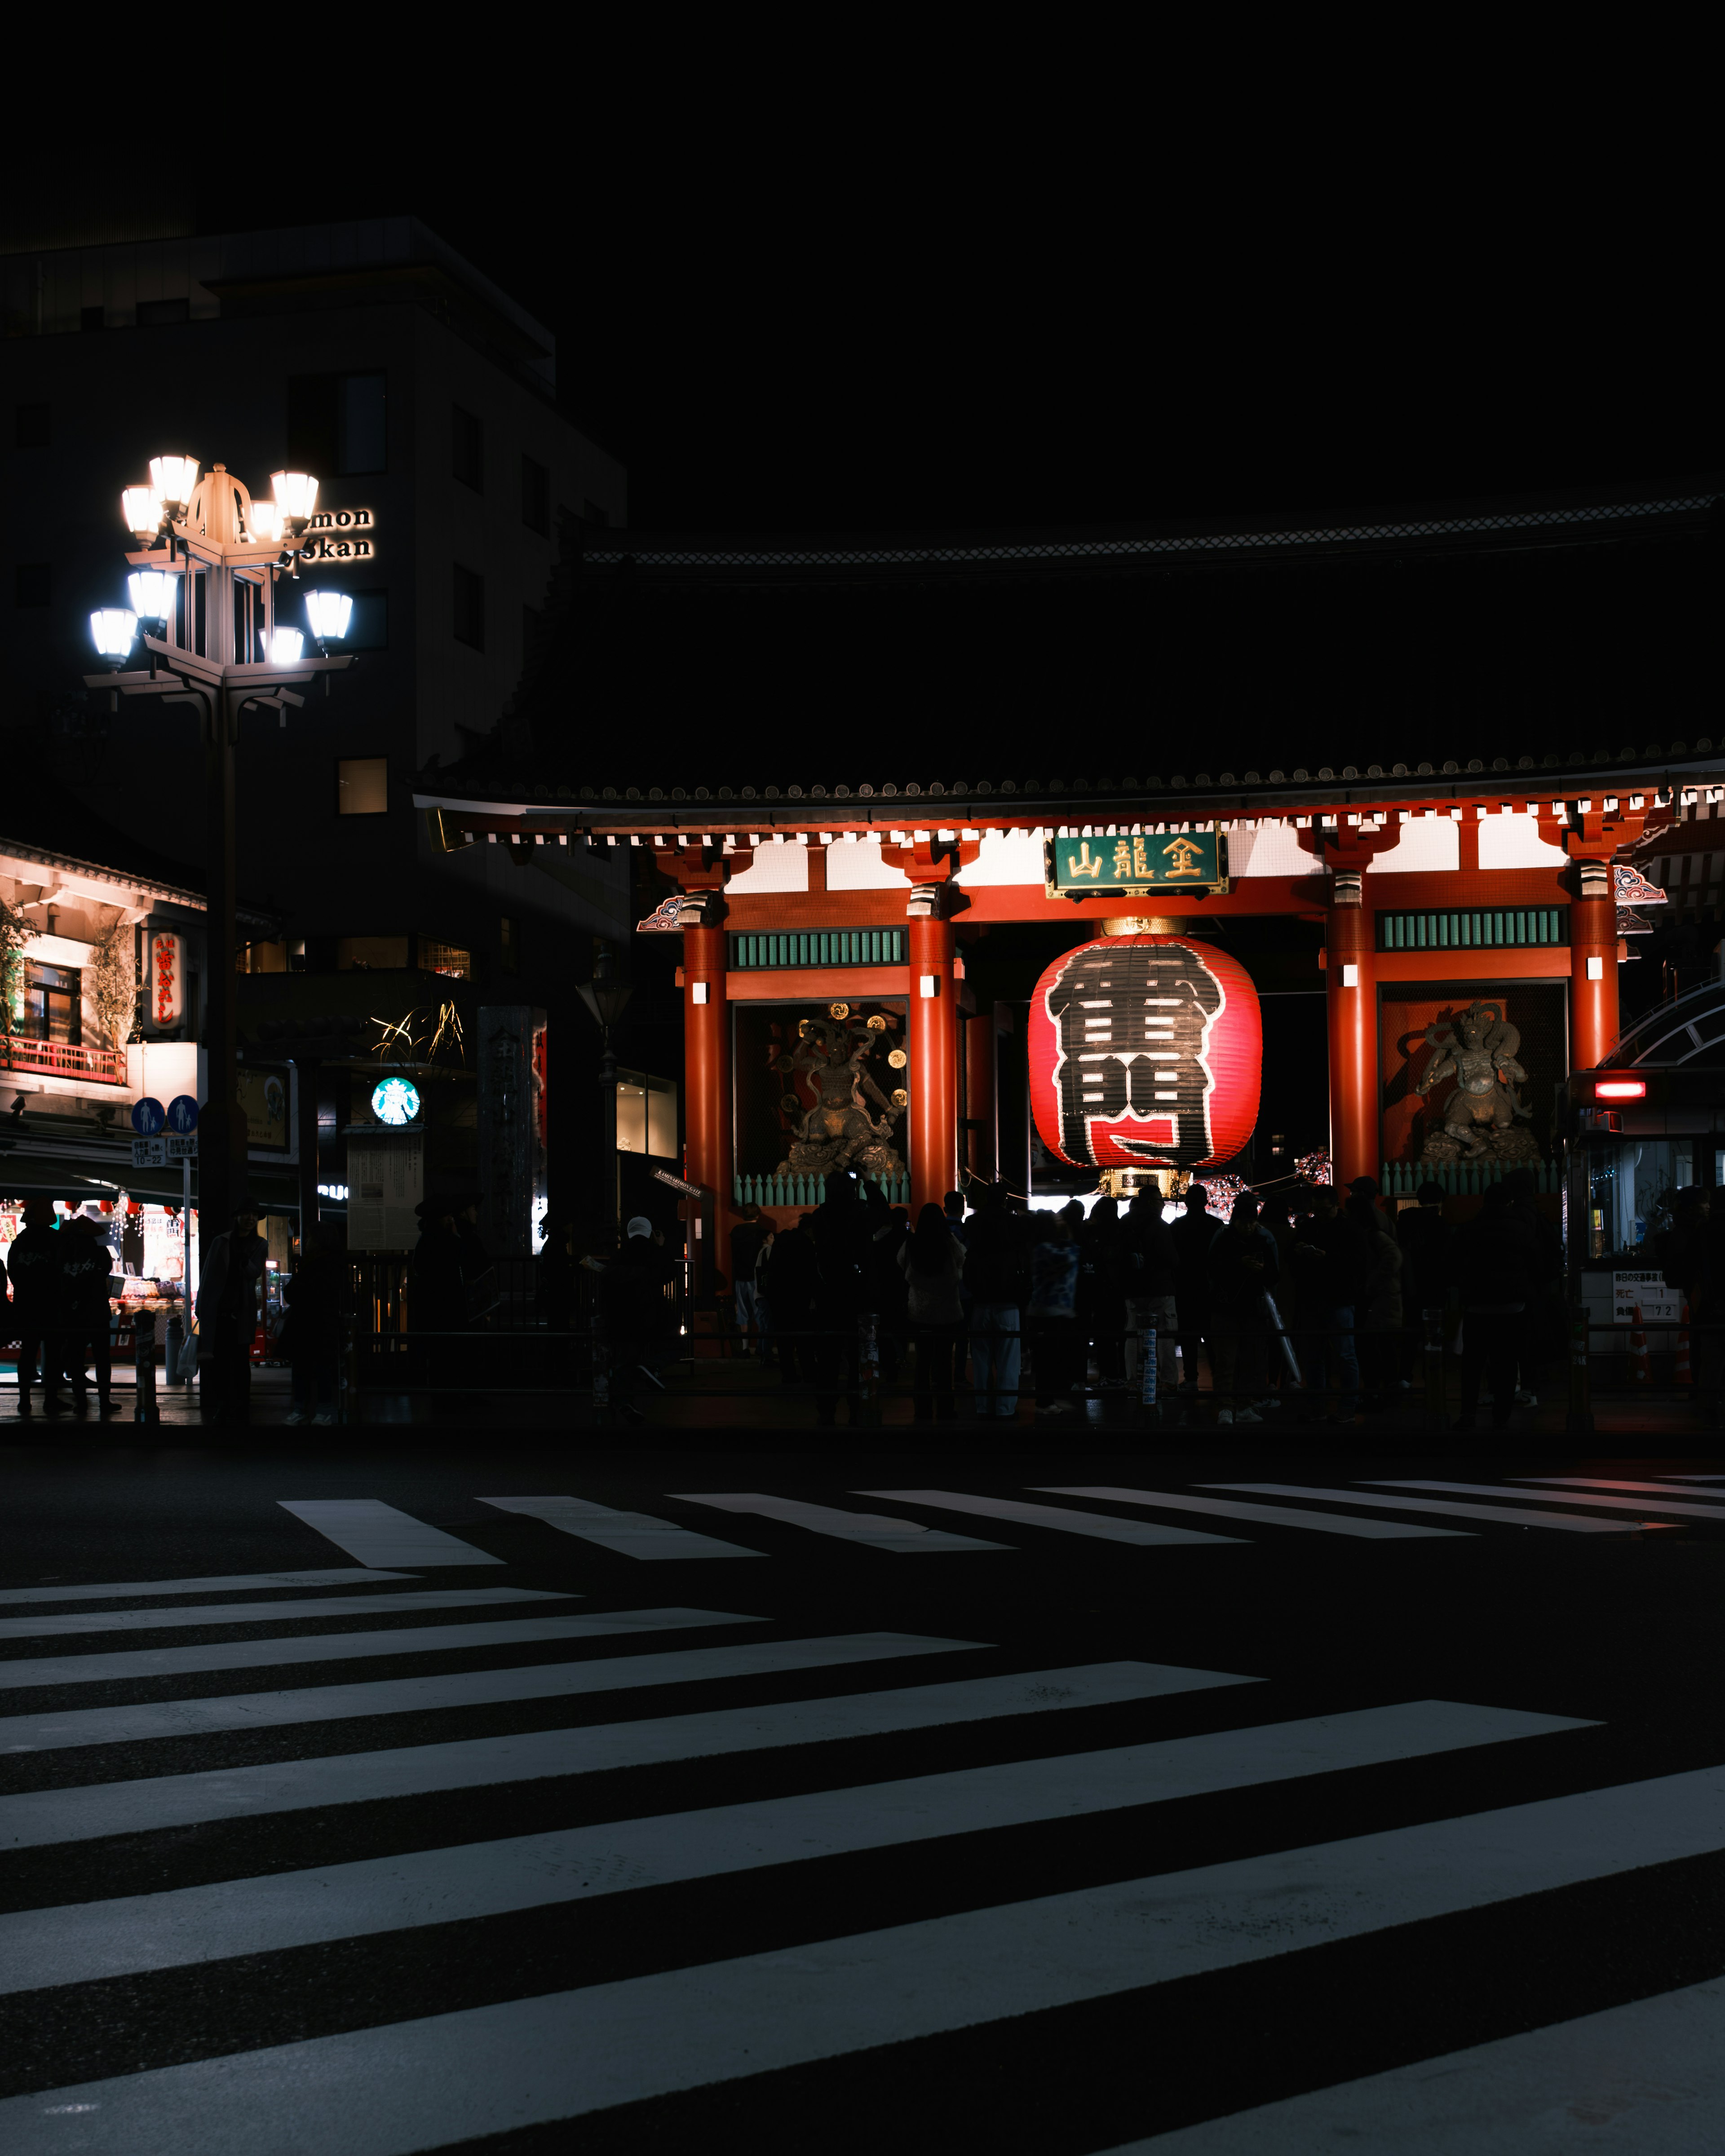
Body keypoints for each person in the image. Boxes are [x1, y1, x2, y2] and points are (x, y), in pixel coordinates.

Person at [1453, 1183, 1540, 1431]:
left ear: (1484, 1202)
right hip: (1512, 1308)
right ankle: (1501, 1415)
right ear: (1510, 1203)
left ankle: (1468, 1413)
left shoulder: (1468, 1230)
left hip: (1476, 1307)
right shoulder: (1522, 1230)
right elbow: (1537, 1265)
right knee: (1507, 1362)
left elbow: (1453, 1265)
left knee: (1473, 1364)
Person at [1290, 1190, 1365, 1423]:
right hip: (1333, 1298)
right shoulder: (1348, 1228)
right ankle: (1339, 1407)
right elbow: (1359, 1263)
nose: (1320, 1214)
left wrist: (1319, 1257)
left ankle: (1324, 1407)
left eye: (1324, 1209)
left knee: (1328, 1356)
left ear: (1336, 1206)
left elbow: (1358, 1263)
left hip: (1329, 1298)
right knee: (1335, 1355)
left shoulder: (1314, 1227)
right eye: (1317, 1210)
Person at [1207, 1192, 1279, 1425]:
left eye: (1252, 1222)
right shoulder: (1256, 1238)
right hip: (1233, 1308)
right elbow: (1213, 1268)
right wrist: (1242, 1265)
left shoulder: (1232, 1237)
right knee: (1231, 1360)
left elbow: (1273, 1275)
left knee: (1246, 1359)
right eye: (1244, 1222)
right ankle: (1229, 1407)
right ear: (1235, 1220)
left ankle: (1238, 1406)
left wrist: (1260, 1270)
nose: (1248, 1227)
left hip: (1242, 1307)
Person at [196, 1202, 267, 1426]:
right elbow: (208, 1275)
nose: (251, 1219)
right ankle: (223, 1404)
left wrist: (244, 1264)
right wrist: (202, 1306)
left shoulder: (259, 1244)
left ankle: (241, 1405)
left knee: (240, 1362)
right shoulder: (222, 1241)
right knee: (220, 1361)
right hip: (219, 1310)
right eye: (247, 1214)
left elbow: (255, 1272)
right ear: (236, 1217)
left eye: (254, 1215)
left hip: (241, 1310)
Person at [809, 1171, 872, 1425]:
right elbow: (882, 1214)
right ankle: (857, 1406)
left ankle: (826, 1408)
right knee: (858, 1354)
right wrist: (867, 1181)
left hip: (829, 1293)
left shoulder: (820, 1215)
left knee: (829, 1357)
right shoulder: (861, 1212)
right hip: (857, 1292)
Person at [897, 1202, 967, 1419]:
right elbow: (962, 1259)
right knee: (945, 1362)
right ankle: (946, 1409)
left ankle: (922, 1408)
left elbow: (901, 1263)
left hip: (919, 1312)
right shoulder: (949, 1242)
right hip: (947, 1312)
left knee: (922, 1361)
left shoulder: (912, 1243)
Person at [964, 1182, 1027, 1419]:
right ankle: (1005, 1409)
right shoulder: (1014, 1224)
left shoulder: (973, 1224)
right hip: (1008, 1300)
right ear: (1005, 1200)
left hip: (980, 1300)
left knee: (981, 1359)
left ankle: (982, 1406)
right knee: (1008, 1360)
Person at [7, 1197, 68, 1416]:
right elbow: (65, 1273)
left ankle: (24, 1401)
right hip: (52, 1305)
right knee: (52, 1355)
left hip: (26, 1305)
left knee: (28, 1352)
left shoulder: (20, 1241)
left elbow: (12, 1272)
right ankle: (51, 1400)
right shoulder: (57, 1239)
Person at [1119, 1187, 1179, 1401]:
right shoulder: (1160, 1226)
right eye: (1160, 1201)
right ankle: (1168, 1382)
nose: (1163, 1205)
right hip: (1160, 1288)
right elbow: (1172, 1260)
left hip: (1133, 1289)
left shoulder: (1124, 1224)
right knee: (1164, 1333)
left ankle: (1133, 1381)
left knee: (1134, 1334)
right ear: (1152, 1203)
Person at [284, 1222, 346, 1425]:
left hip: (310, 1322)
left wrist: (299, 1289)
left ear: (319, 1241)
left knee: (307, 1367)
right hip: (322, 1322)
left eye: (309, 1238)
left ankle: (303, 1408)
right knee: (321, 1367)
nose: (306, 1242)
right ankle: (322, 1410)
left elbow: (295, 1292)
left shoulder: (312, 1264)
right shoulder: (332, 1263)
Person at [1349, 1191, 1403, 1412]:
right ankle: (1386, 1394)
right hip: (1382, 1299)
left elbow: (1394, 1257)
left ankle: (1377, 1393)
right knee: (1382, 1349)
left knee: (1375, 1349)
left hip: (1377, 1300)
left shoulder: (1371, 1236)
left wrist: (1371, 1284)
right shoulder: (1376, 1231)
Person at [60, 1216, 119, 1416]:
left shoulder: (64, 1255)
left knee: (75, 1359)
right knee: (103, 1358)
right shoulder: (101, 1253)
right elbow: (105, 1275)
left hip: (73, 1314)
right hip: (98, 1313)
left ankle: (81, 1402)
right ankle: (104, 1401)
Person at [1396, 1180, 1453, 1385]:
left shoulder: (1405, 1221)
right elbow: (1447, 1258)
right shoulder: (1441, 1224)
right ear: (1439, 1201)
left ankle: (1404, 1377)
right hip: (1435, 1287)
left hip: (1411, 1286)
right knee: (1434, 1336)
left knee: (1410, 1333)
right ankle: (1432, 1377)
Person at [1028, 1209, 1083, 1415]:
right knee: (1049, 1359)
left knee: (1051, 1359)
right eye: (1056, 1219)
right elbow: (1070, 1257)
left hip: (1054, 1312)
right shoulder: (1046, 1249)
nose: (1060, 1221)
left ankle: (1049, 1399)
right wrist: (1069, 1233)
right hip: (1049, 1313)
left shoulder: (1043, 1247)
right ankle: (1046, 1401)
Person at [1171, 1184, 1222, 1397]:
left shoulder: (1176, 1226)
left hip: (1185, 1288)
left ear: (1186, 1203)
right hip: (1211, 1288)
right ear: (1206, 1201)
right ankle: (1220, 1379)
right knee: (1212, 1337)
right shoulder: (1217, 1225)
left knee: (1188, 1337)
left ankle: (1191, 1379)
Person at [1079, 1197, 1128, 1387]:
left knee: (1104, 1337)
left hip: (1100, 1292)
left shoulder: (1093, 1232)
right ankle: (1124, 1375)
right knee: (1123, 1336)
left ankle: (1108, 1375)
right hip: (1122, 1292)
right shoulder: (1124, 1231)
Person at [765, 1211, 818, 1382]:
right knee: (804, 1341)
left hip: (778, 1298)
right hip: (799, 1299)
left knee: (784, 1341)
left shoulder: (780, 1242)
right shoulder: (806, 1245)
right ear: (810, 1230)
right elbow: (810, 1275)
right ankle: (809, 1373)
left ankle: (788, 1375)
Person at [729, 1204, 769, 1355]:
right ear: (758, 1215)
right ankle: (761, 1347)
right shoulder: (761, 1232)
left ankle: (745, 1347)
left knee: (743, 1313)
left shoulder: (736, 1232)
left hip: (740, 1277)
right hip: (756, 1278)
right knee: (760, 1312)